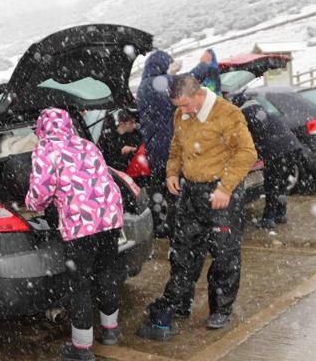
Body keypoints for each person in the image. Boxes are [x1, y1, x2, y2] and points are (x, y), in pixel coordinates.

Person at [137, 76, 257, 341]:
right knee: (183, 250)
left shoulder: (227, 113)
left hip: (221, 191)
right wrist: (172, 172)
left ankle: (221, 308)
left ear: (199, 93)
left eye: (187, 105)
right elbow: (177, 147)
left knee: (224, 253)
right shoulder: (181, 115)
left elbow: (247, 153)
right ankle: (179, 302)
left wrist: (225, 188)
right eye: (179, 106)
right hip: (191, 191)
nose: (184, 111)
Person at [25, 108, 124, 361]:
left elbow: (40, 191)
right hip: (110, 218)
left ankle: (81, 349)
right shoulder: (86, 144)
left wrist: (31, 206)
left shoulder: (46, 150)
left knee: (80, 284)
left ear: (41, 129)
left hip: (81, 225)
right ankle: (110, 331)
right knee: (107, 273)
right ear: (68, 125)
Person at [137, 50, 181, 238]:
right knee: (174, 191)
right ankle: (173, 227)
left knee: (157, 189)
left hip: (152, 148)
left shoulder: (141, 86)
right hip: (170, 148)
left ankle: (156, 226)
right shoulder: (161, 83)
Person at [241, 100, 303, 228]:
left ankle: (268, 219)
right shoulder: (267, 114)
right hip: (293, 148)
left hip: (276, 153)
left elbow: (249, 140)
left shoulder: (246, 117)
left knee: (272, 185)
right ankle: (281, 213)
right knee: (282, 184)